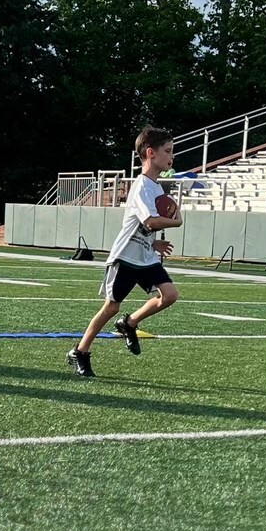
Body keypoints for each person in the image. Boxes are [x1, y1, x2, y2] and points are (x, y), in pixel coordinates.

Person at [67, 126, 183, 378]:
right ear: (151, 153)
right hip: (126, 258)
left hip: (145, 256)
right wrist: (177, 221)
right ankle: (80, 351)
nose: (172, 156)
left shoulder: (156, 188)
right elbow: (150, 222)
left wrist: (154, 244)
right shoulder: (142, 185)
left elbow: (139, 225)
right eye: (168, 151)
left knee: (170, 295)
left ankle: (129, 324)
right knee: (111, 307)